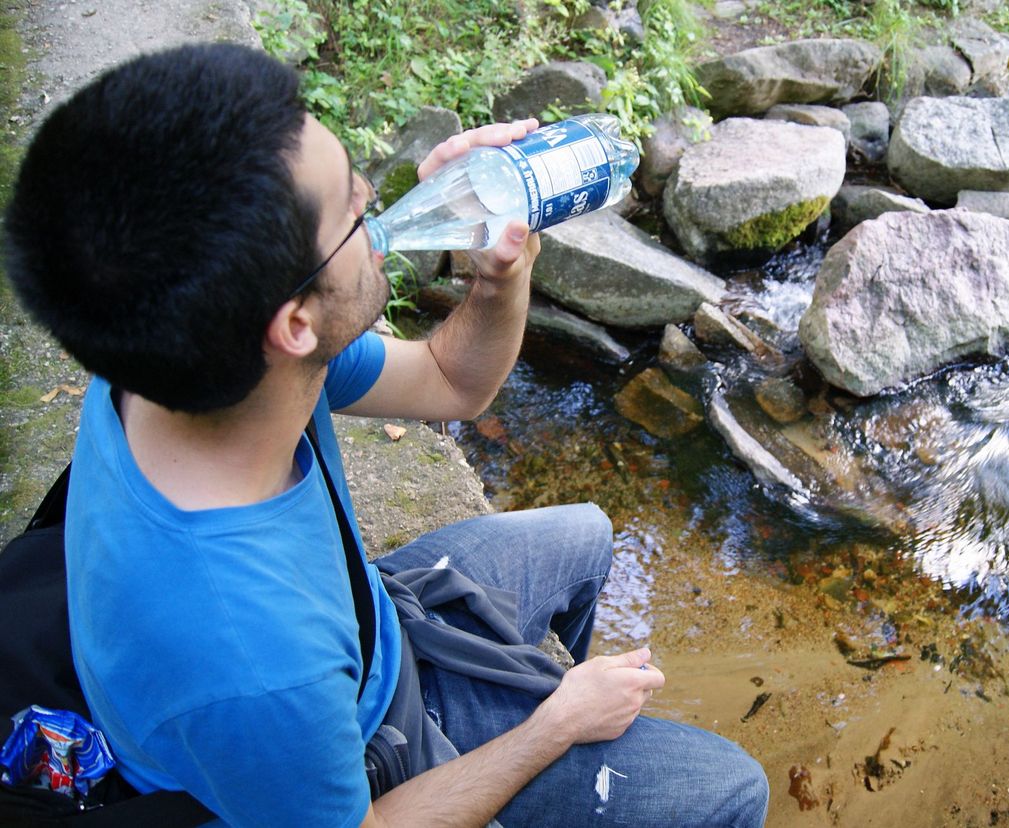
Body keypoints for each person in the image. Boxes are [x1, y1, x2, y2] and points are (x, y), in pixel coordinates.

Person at [3, 42, 768, 827]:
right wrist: (557, 725)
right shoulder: (255, 664)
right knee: (732, 789)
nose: (378, 196)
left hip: (368, 635)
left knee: (588, 536)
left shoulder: (185, 352)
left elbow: (453, 380)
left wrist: (497, 271)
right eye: (354, 211)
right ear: (294, 325)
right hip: (361, 754)